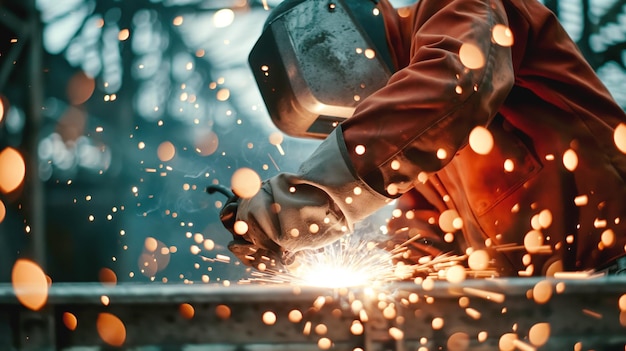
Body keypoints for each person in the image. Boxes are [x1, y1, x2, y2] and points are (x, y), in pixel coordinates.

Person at [220, 0, 626, 278]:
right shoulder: (424, 148)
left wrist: (294, 207)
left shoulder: (457, 10)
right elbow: (427, 240)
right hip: (559, 296)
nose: (362, 108)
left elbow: (455, 86)